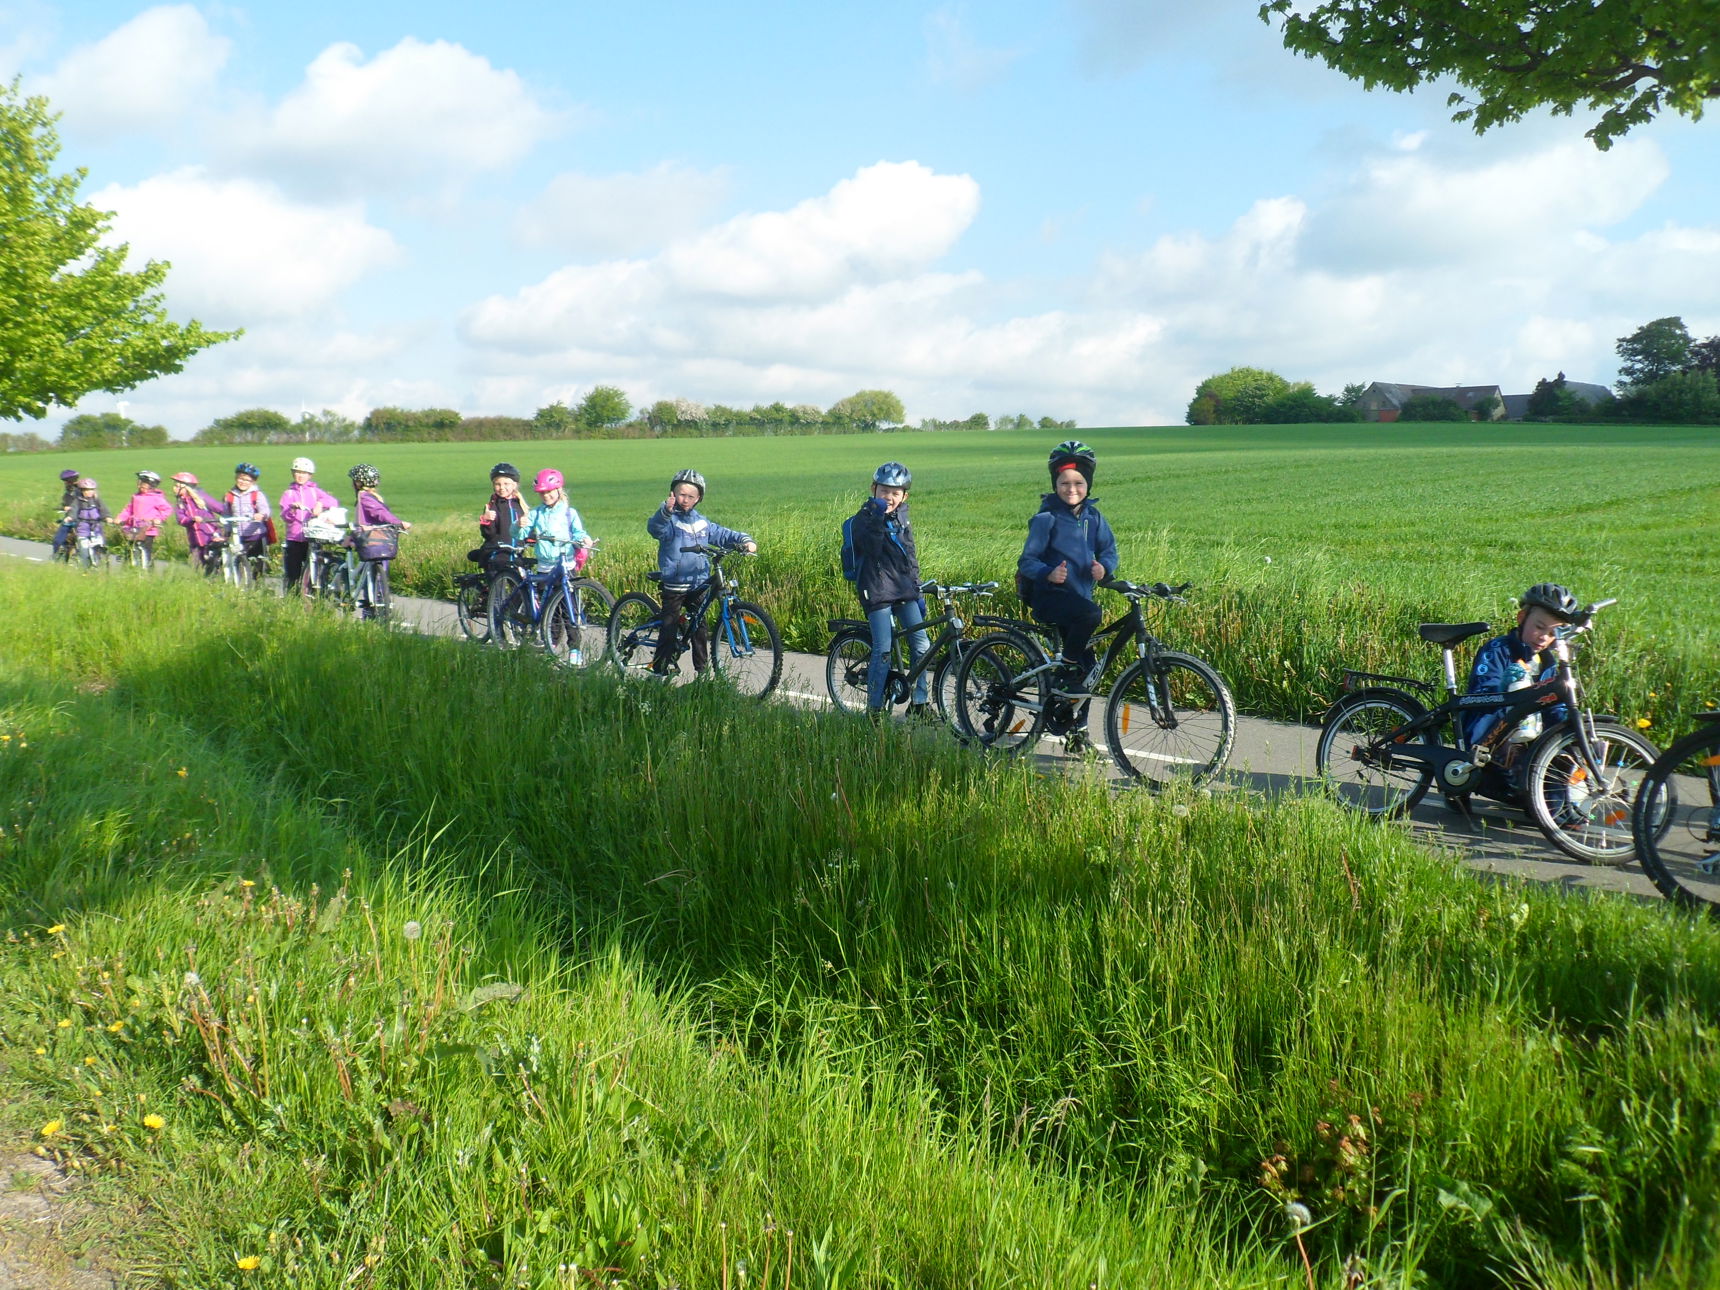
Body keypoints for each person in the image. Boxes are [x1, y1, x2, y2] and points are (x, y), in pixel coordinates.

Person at [1017, 440, 1118, 742]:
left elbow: (1109, 550)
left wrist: (1105, 569)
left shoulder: (1094, 518)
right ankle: (1066, 667)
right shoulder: (1046, 519)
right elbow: (1027, 560)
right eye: (1064, 483)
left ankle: (1078, 733)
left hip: (1078, 601)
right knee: (1090, 620)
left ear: (1088, 484)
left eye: (1078, 482)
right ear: (1055, 484)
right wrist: (1048, 573)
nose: (1071, 488)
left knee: (1089, 673)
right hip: (1050, 599)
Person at [1463, 582, 1577, 798]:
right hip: (1492, 733)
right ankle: (1511, 789)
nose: (1544, 637)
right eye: (1539, 627)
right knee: (1521, 780)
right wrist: (1510, 689)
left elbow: (1554, 710)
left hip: (1529, 737)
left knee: (1563, 758)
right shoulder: (1498, 649)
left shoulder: (1547, 663)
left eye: (1553, 632)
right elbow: (1482, 690)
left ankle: (1559, 810)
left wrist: (1571, 732)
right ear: (1521, 618)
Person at [647, 468, 756, 674]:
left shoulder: (701, 522)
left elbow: (722, 534)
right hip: (675, 584)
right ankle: (661, 666)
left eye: (691, 496)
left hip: (698, 583)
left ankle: (702, 672)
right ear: (672, 494)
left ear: (698, 499)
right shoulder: (669, 520)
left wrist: (745, 540)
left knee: (700, 628)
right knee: (669, 625)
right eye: (681, 494)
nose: (685, 499)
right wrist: (665, 511)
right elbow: (655, 529)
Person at [847, 462, 931, 718]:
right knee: (883, 649)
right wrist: (876, 517)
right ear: (873, 489)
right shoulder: (862, 519)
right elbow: (871, 551)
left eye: (896, 493)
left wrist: (917, 591)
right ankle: (873, 709)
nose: (889, 497)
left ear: (904, 496)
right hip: (876, 590)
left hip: (903, 589)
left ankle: (919, 704)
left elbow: (910, 557)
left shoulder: (902, 518)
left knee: (922, 646)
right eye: (884, 491)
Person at [348, 463, 411, 612]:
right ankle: (375, 607)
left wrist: (396, 522)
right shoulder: (367, 497)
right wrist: (398, 523)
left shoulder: (365, 497)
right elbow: (379, 514)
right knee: (374, 575)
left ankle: (374, 608)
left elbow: (378, 513)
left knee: (373, 574)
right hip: (374, 540)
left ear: (358, 482)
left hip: (372, 539)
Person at [278, 457, 340, 593]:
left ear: (310, 475)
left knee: (313, 571)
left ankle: (312, 596)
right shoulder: (288, 493)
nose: (300, 476)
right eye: (297, 472)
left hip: (312, 537)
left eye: (304, 473)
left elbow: (333, 501)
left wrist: (320, 503)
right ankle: (291, 599)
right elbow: (285, 516)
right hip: (295, 538)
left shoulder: (314, 491)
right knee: (293, 573)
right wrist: (292, 509)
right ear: (293, 473)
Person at [516, 468, 592, 574]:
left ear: (559, 489)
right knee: (543, 590)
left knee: (569, 589)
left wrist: (584, 539)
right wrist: (518, 525)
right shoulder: (536, 514)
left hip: (567, 564)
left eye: (549, 491)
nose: (546, 496)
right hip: (545, 566)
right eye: (542, 493)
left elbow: (578, 532)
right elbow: (519, 534)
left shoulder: (569, 513)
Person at [472, 462, 529, 571]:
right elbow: (489, 535)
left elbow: (526, 531)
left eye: (506, 484)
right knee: (497, 586)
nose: (502, 487)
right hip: (496, 555)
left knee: (522, 585)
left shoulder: (520, 506)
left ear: (514, 485)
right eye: (497, 484)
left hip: (516, 555)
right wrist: (486, 521)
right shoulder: (492, 506)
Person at [113, 470, 174, 566]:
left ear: (151, 485)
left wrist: (158, 519)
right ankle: (130, 567)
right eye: (140, 483)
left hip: (148, 529)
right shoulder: (136, 496)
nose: (140, 485)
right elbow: (128, 510)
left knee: (145, 550)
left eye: (143, 483)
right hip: (134, 528)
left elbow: (167, 509)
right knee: (131, 548)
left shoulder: (156, 498)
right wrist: (120, 518)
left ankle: (147, 570)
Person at [170, 472, 226, 574]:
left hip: (211, 536)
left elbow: (220, 509)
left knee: (214, 562)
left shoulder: (201, 498)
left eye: (177, 486)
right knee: (197, 567)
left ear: (187, 487)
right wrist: (192, 519)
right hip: (195, 541)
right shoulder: (180, 503)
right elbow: (181, 519)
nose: (174, 488)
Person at [225, 462, 273, 560]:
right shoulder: (230, 496)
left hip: (256, 536)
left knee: (258, 564)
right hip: (238, 536)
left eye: (247, 480)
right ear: (236, 478)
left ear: (253, 482)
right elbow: (226, 515)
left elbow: (265, 510)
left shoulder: (257, 495)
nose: (243, 482)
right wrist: (226, 531)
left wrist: (261, 515)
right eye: (241, 478)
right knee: (238, 562)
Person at [66, 477, 110, 565]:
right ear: (82, 491)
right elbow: (74, 510)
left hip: (96, 528)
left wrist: (107, 517)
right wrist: (70, 517)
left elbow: (103, 510)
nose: (89, 492)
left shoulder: (97, 500)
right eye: (87, 490)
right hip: (83, 528)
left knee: (99, 545)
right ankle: (85, 569)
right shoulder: (78, 501)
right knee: (84, 549)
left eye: (91, 490)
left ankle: (98, 563)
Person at [52, 468, 81, 558]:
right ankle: (57, 556)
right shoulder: (67, 494)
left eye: (69, 481)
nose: (67, 483)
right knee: (58, 540)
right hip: (69, 520)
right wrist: (64, 507)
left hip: (81, 519)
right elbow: (65, 505)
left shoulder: (82, 492)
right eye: (66, 482)